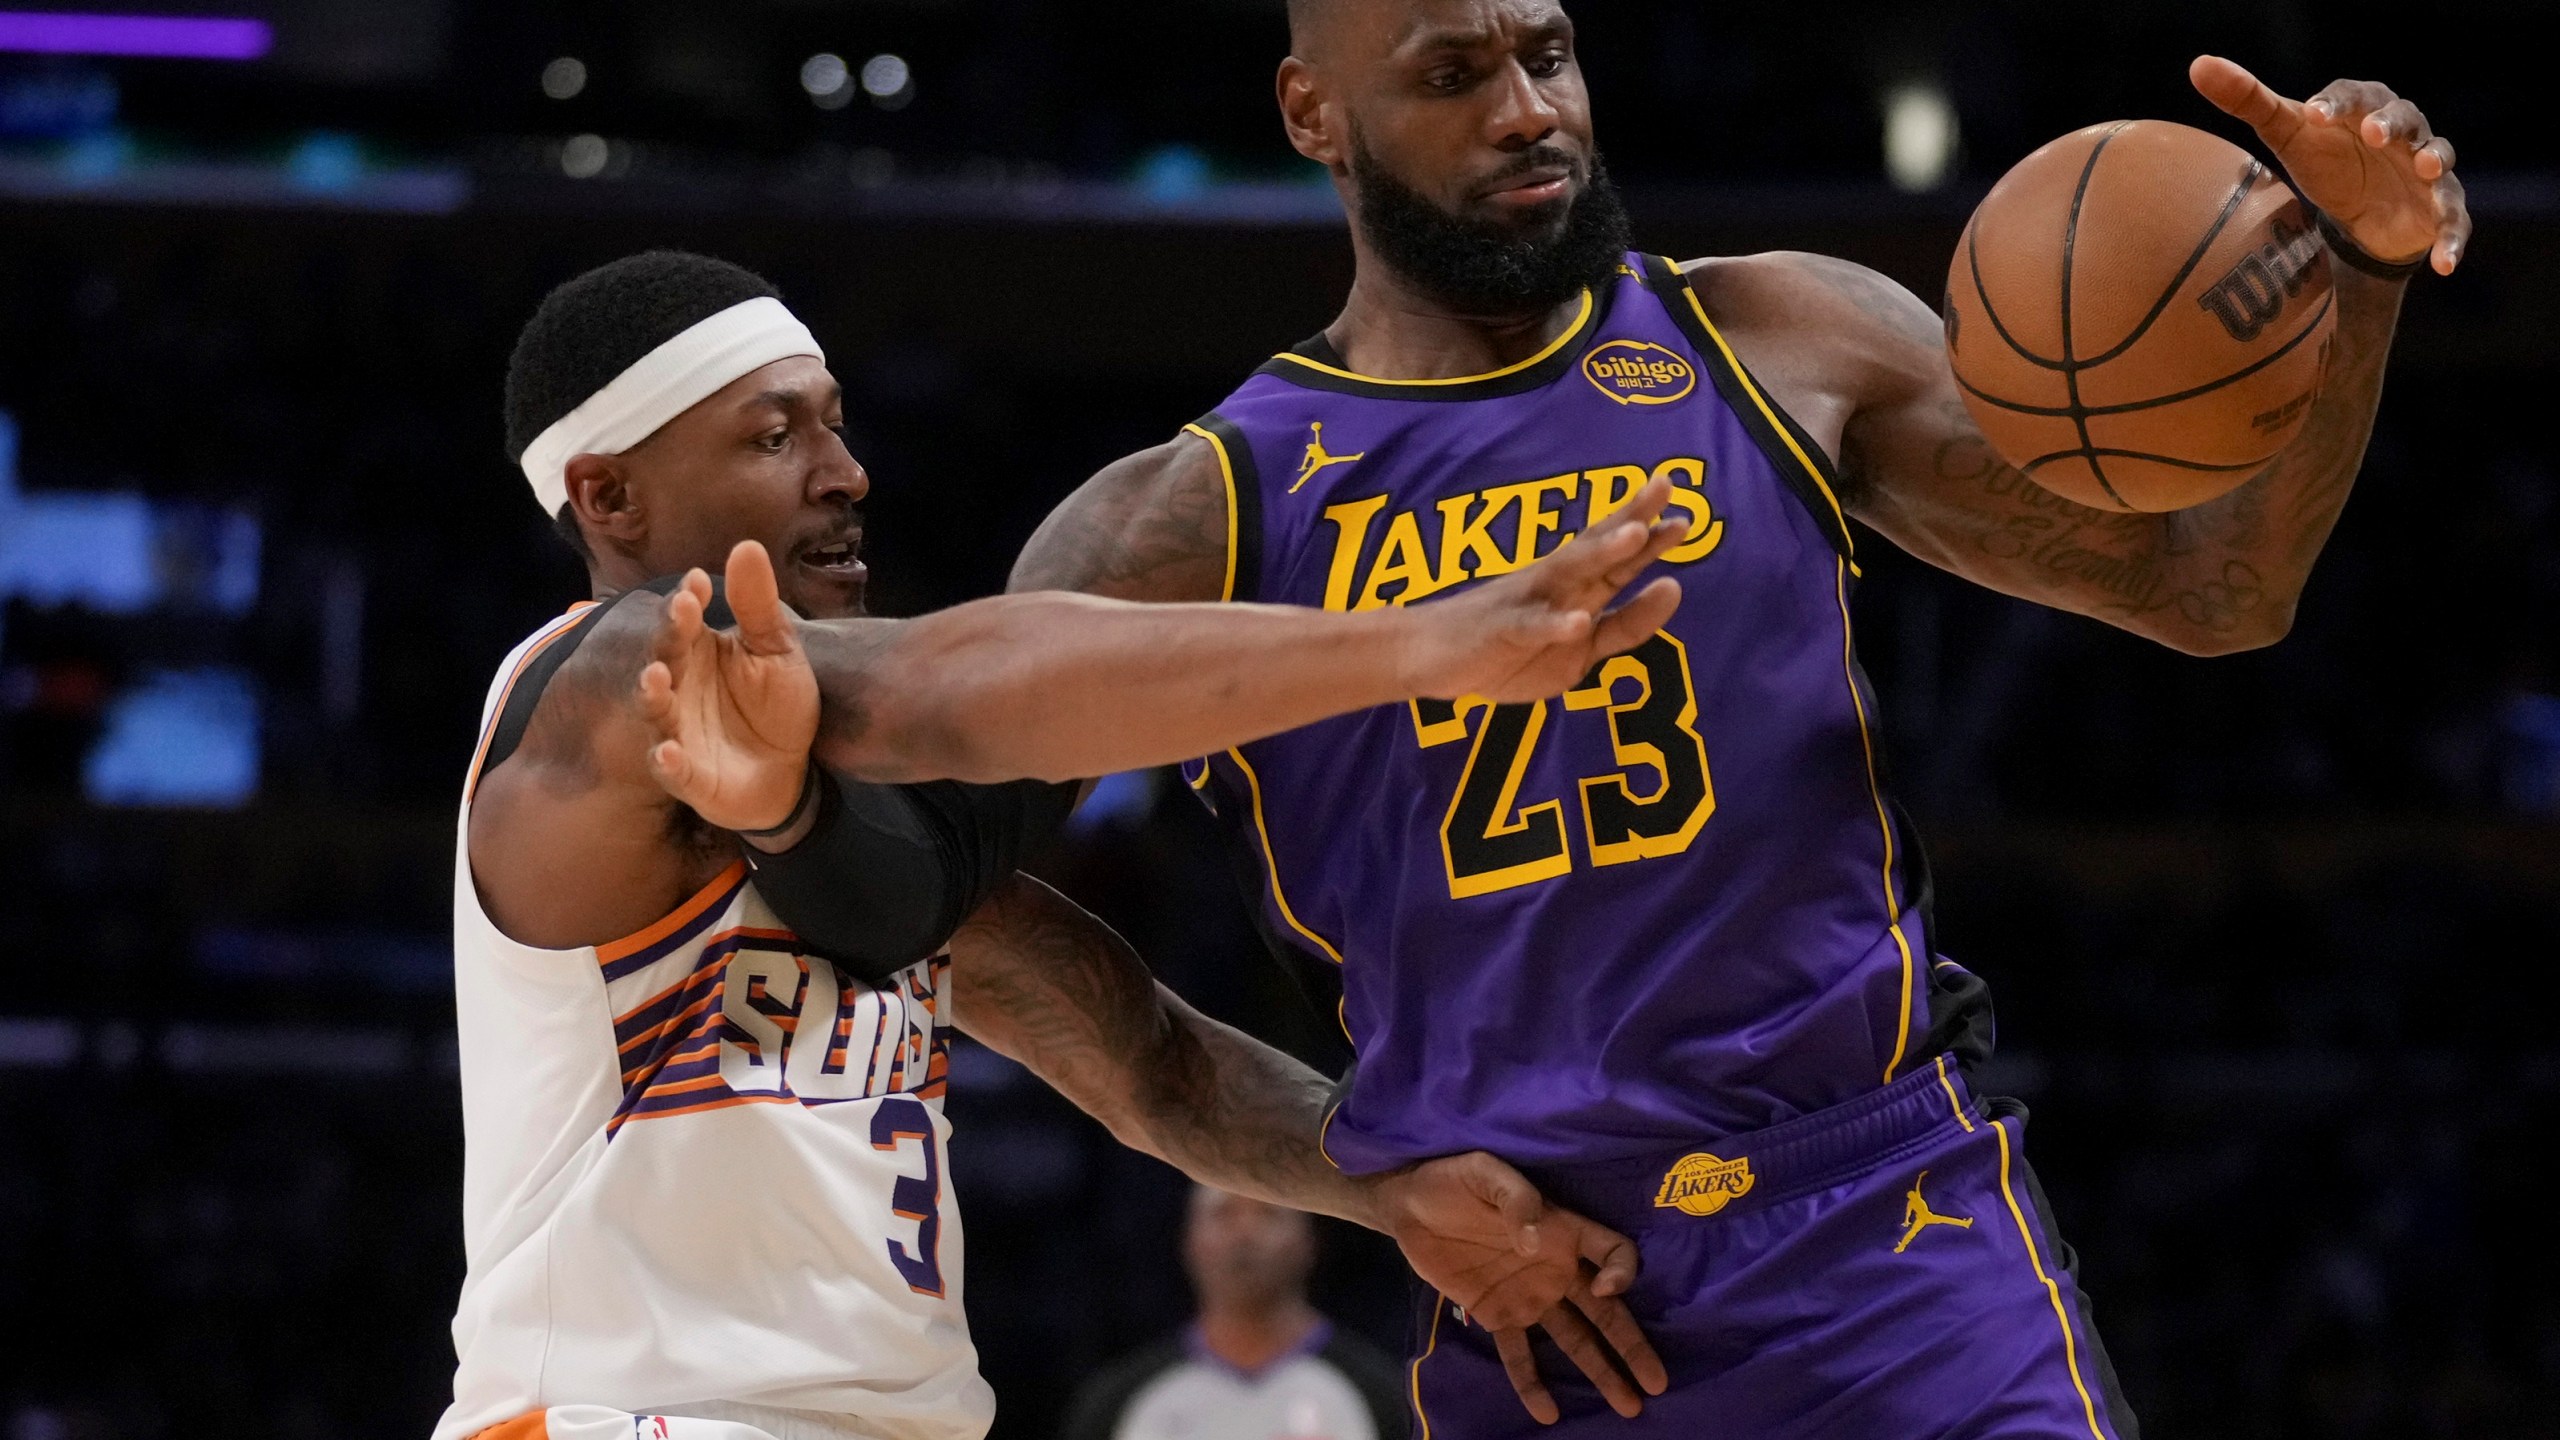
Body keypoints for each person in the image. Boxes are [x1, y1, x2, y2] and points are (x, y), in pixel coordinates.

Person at [990, 5, 2472, 1436]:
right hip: (1550, 1301)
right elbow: (934, 906)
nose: (1530, 111)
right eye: (1454, 73)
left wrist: (2359, 263)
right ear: (1313, 112)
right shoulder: (1201, 515)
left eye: (1550, 55)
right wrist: (1361, 1180)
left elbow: (2212, 589)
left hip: (1890, 1238)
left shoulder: (1775, 340)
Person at [437, 251, 1686, 1440]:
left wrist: (1383, 1186)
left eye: (832, 421)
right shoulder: (603, 683)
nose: (844, 472)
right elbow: (953, 689)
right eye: (775, 437)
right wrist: (1418, 646)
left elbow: (1142, 1059)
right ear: (607, 495)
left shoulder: (835, 822)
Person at [1061, 1187, 1412, 1440]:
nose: (1244, 1234)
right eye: (1223, 1213)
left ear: (1309, 1242)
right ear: (1190, 1241)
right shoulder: (1119, 1400)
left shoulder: (1381, 1397)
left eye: (1268, 1213)